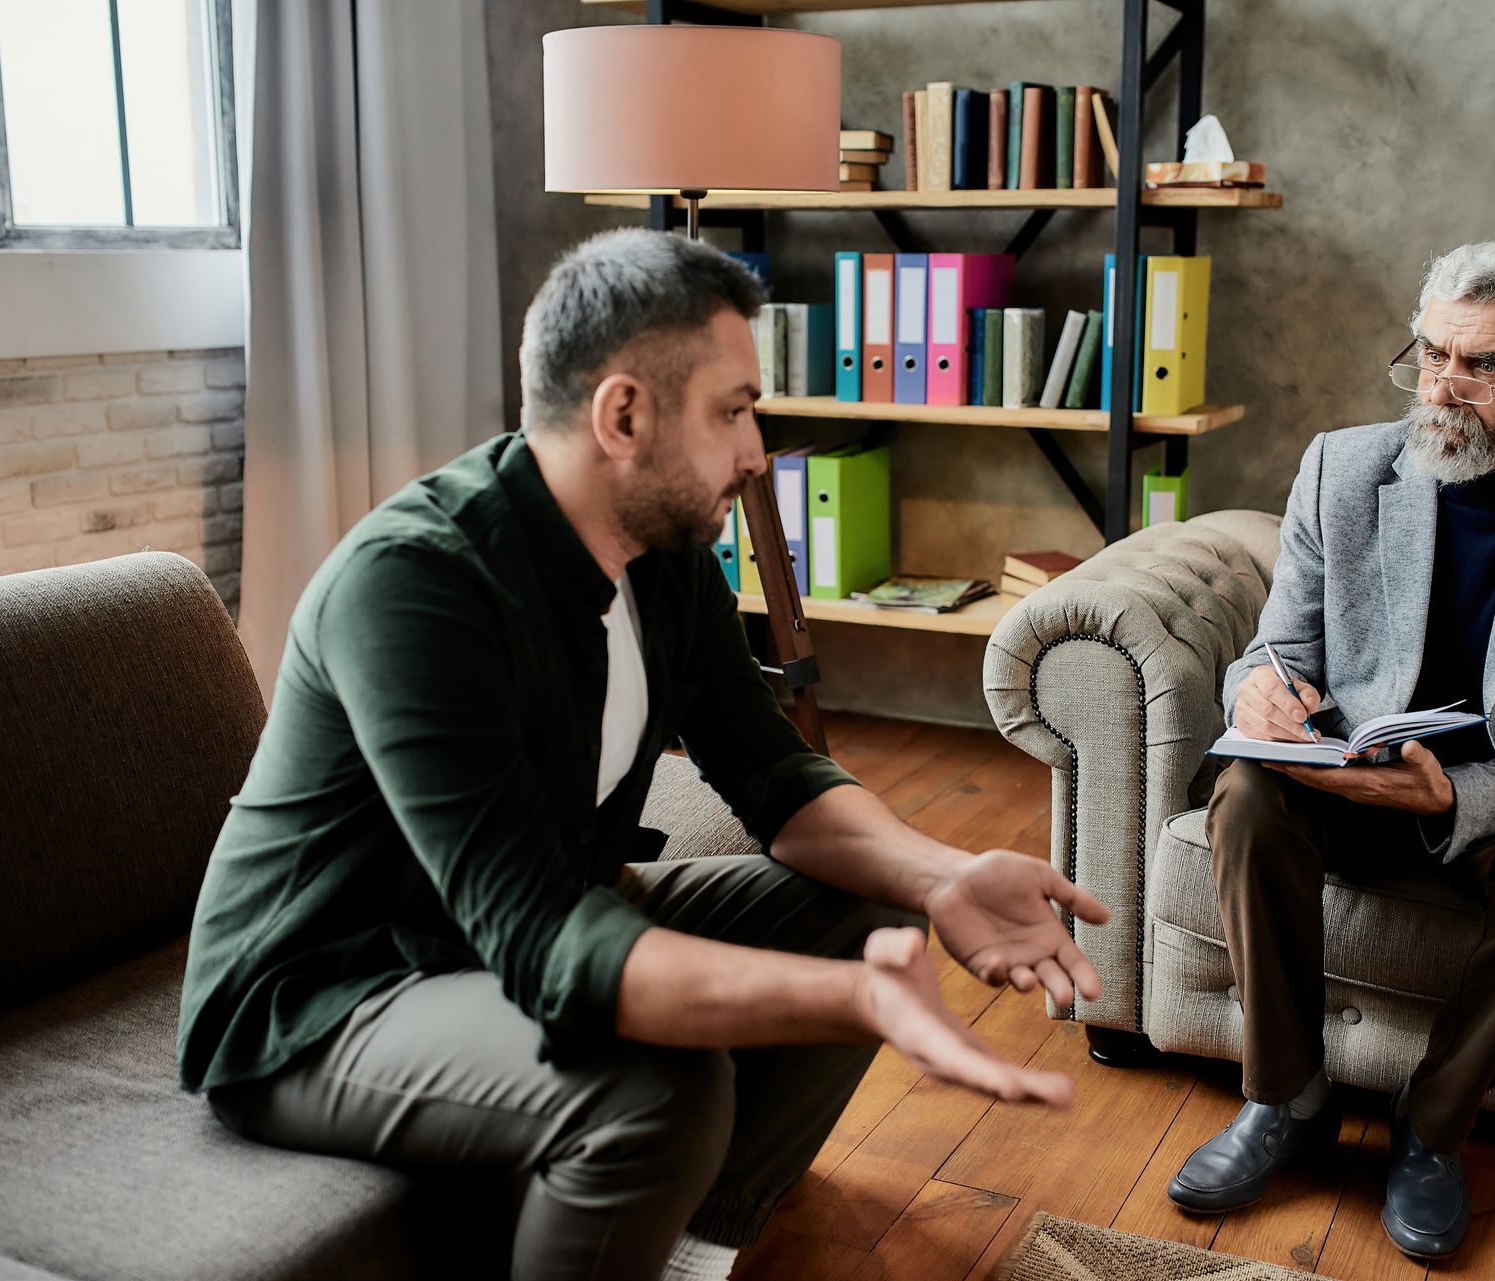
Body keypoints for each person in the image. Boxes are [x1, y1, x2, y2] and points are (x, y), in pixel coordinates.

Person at [176, 227, 1109, 1281]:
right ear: (623, 414)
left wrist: (945, 876)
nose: (758, 452)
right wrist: (856, 1002)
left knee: (870, 907)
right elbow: (543, 940)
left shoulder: (659, 555)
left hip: (513, 921)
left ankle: (688, 1250)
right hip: (325, 995)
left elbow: (771, 774)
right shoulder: (417, 586)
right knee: (659, 1087)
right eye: (733, 411)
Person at [1165, 239, 1495, 1260]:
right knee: (1243, 795)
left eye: (1485, 366)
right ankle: (1285, 1097)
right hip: (1349, 776)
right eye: (1432, 353)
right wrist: (1264, 694)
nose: (1444, 387)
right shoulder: (1344, 464)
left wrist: (1453, 794)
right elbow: (1280, 645)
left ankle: (1432, 1123)